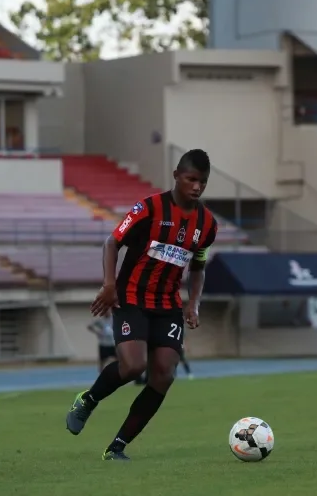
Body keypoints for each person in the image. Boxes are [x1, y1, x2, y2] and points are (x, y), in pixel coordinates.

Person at [65, 149, 218, 460]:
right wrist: (109, 285)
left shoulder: (207, 224)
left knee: (164, 374)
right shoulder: (149, 209)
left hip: (168, 305)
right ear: (176, 175)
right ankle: (89, 399)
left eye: (202, 182)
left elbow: (198, 266)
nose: (197, 187)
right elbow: (112, 242)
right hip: (131, 297)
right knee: (134, 366)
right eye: (191, 179)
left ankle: (117, 447)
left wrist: (194, 304)